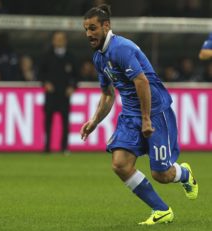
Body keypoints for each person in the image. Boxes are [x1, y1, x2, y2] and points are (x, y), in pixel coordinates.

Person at [80, 4, 198, 225]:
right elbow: (107, 94)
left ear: (106, 26)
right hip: (130, 114)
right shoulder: (99, 57)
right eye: (86, 29)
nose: (89, 34)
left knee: (161, 175)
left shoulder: (122, 48)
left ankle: (184, 174)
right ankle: (162, 210)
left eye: (93, 28)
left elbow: (141, 82)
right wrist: (94, 121)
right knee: (120, 164)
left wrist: (146, 119)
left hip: (154, 112)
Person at [39, 31, 78, 153]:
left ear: (65, 41)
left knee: (65, 122)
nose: (59, 41)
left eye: (61, 39)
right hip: (51, 94)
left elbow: (77, 75)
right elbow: (40, 73)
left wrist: (72, 87)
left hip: (64, 94)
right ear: (53, 41)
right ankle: (47, 147)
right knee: (48, 121)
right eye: (57, 39)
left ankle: (64, 147)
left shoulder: (71, 57)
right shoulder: (46, 56)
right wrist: (45, 83)